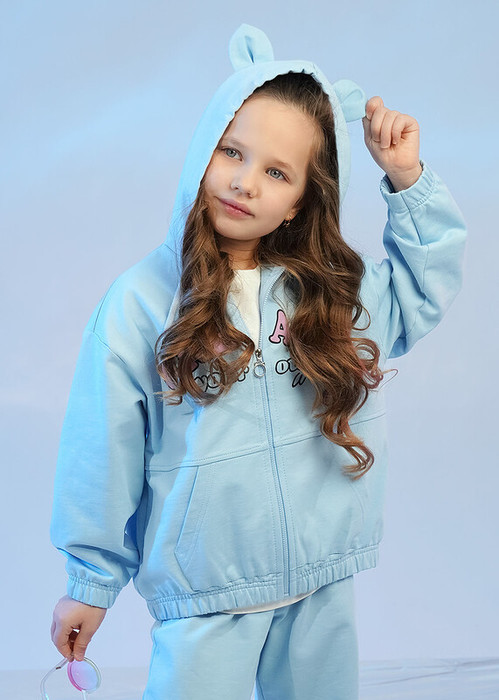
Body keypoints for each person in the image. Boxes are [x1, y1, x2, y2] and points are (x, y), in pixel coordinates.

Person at [49, 23, 467, 700]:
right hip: (205, 594)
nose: (244, 183)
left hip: (321, 583)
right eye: (231, 152)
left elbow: (423, 291)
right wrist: (90, 583)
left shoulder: (331, 292)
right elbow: (101, 450)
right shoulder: (142, 303)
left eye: (275, 172)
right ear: (204, 149)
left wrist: (406, 179)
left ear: (300, 199)